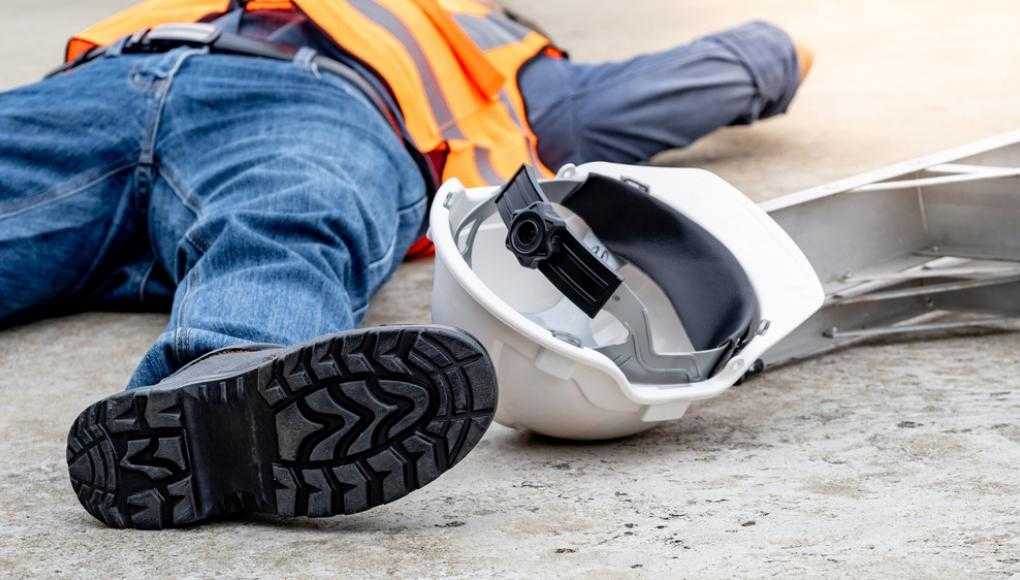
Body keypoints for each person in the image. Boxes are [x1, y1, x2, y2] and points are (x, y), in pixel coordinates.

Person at [0, 0, 812, 529]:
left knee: (290, 214)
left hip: (317, 104)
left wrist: (779, 53)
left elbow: (734, 69)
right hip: (100, 89)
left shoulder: (515, 59)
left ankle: (225, 386)